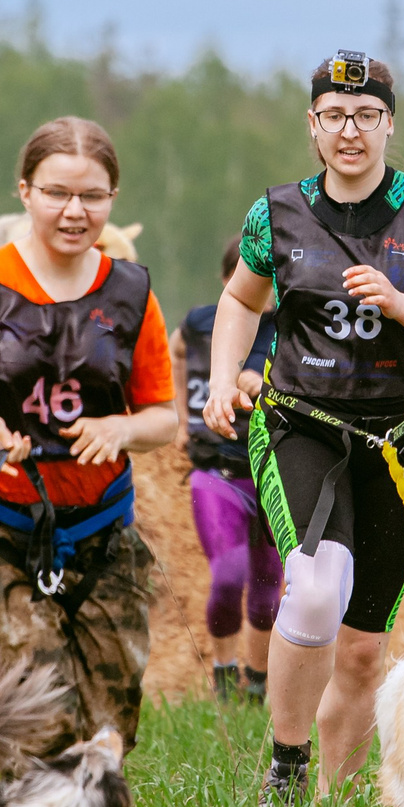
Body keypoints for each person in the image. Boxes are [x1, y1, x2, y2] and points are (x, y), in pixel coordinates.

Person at [202, 51, 404, 802]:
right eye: (334, 115)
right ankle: (288, 765)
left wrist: (401, 304)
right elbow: (240, 299)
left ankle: (330, 802)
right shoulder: (277, 212)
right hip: (302, 422)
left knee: (365, 652)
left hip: (397, 438)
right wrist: (220, 381)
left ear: (390, 123)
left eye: (367, 116)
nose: (351, 131)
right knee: (313, 587)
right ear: (313, 125)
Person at [0, 117, 180, 756]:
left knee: (109, 735)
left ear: (113, 199)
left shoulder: (132, 293)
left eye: (92, 195)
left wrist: (122, 428)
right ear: (24, 192)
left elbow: (162, 417)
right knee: (45, 718)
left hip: (101, 536)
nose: (74, 210)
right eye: (57, 192)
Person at [173, 236, 280, 703]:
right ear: (227, 281)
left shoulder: (293, 329)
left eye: (269, 278)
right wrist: (181, 417)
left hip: (276, 473)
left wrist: (267, 384)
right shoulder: (201, 323)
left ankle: (256, 684)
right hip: (217, 469)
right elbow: (176, 352)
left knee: (267, 588)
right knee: (229, 572)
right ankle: (222, 673)